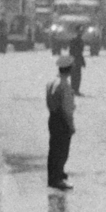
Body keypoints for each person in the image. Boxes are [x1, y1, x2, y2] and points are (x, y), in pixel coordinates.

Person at [46, 54, 77, 190]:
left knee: (53, 149)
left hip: (53, 117)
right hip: (62, 119)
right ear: (69, 69)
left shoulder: (51, 82)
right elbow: (67, 109)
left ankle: (53, 176)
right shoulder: (64, 85)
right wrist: (71, 125)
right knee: (62, 150)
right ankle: (57, 178)